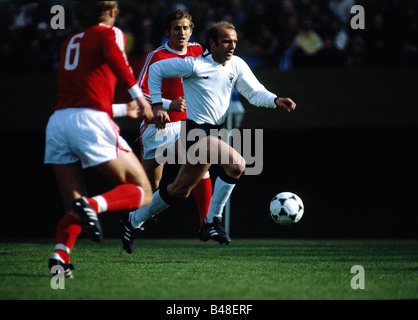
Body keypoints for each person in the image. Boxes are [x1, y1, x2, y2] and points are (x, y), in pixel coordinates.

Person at [122, 21, 296, 252]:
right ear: (212, 44)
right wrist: (156, 104)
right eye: (226, 41)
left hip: (213, 133)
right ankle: (213, 221)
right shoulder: (195, 65)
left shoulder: (236, 65)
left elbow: (254, 93)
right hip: (194, 133)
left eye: (234, 41)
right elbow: (156, 70)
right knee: (237, 164)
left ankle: (133, 221)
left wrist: (275, 100)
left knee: (179, 191)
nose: (232, 46)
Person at [44, 1, 153, 278]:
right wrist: (138, 97)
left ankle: (60, 255)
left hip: (58, 123)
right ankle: (95, 205)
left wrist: (121, 109)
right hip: (88, 123)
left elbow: (81, 93)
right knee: (142, 191)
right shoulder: (109, 33)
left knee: (73, 205)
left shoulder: (70, 41)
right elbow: (117, 60)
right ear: (113, 12)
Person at [127, 10, 212, 250]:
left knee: (199, 159)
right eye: (177, 28)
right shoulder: (157, 56)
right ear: (168, 32)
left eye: (185, 28)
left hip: (185, 124)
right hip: (157, 128)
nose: (182, 32)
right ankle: (133, 222)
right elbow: (140, 91)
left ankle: (206, 222)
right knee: (150, 188)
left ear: (191, 30)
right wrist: (165, 104)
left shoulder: (198, 51)